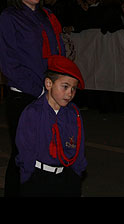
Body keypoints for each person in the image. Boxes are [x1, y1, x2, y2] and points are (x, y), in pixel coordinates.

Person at [0, 0, 66, 196]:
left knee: (49, 153)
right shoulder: (9, 18)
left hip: (51, 95)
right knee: (23, 155)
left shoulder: (47, 16)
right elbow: (9, 64)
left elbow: (59, 52)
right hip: (25, 96)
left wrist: (61, 85)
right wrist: (39, 90)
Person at [15, 55, 87, 197]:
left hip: (65, 176)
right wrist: (27, 177)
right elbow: (25, 148)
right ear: (49, 84)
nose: (69, 93)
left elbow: (79, 145)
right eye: (65, 86)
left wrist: (77, 174)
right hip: (38, 178)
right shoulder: (33, 112)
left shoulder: (73, 114)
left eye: (73, 88)